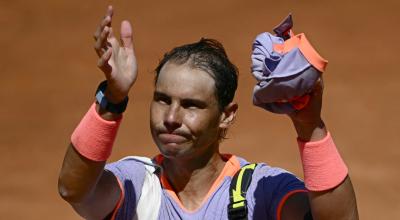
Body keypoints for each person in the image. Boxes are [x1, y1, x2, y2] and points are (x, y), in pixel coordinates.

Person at [58, 5, 359, 220]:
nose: (171, 117)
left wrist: (310, 126)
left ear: (226, 115)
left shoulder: (260, 190)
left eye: (191, 105)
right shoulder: (138, 184)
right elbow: (74, 190)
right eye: (163, 100)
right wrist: (112, 99)